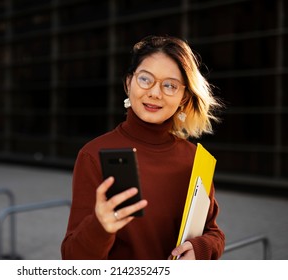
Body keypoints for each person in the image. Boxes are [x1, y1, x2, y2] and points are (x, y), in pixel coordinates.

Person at [61, 35, 225, 260]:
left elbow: (213, 232)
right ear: (129, 83)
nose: (155, 93)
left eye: (170, 85)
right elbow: (72, 258)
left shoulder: (196, 159)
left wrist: (200, 249)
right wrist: (100, 226)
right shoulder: (93, 155)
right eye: (146, 79)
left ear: (183, 97)